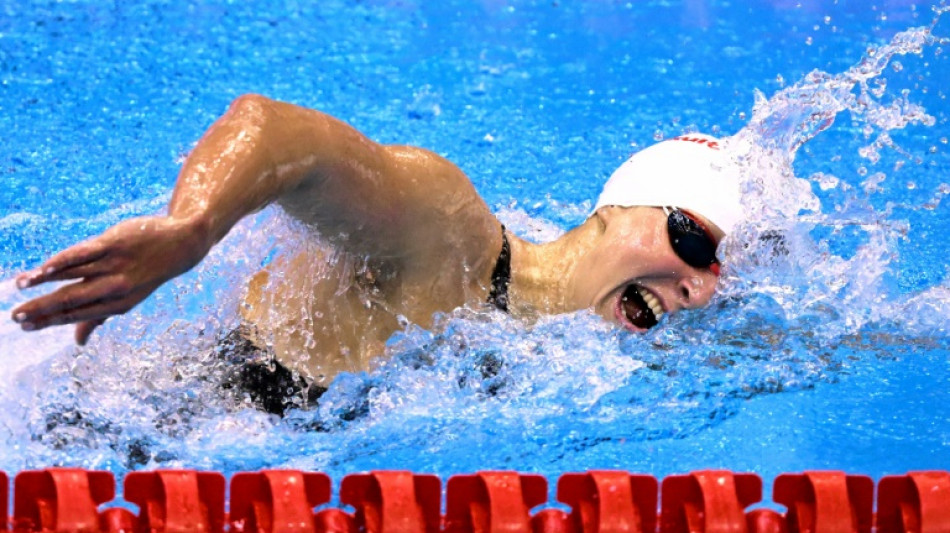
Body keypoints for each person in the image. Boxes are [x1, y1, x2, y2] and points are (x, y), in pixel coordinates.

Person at [9, 94, 743, 415]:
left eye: (720, 274)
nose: (698, 288)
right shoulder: (451, 231)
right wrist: (192, 227)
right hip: (126, 428)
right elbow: (277, 134)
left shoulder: (558, 360)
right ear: (612, 211)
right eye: (690, 238)